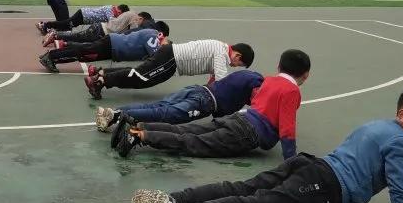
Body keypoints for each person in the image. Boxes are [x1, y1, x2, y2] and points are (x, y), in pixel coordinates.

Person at [138, 87, 403, 203]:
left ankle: (174, 198)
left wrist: (360, 202)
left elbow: (358, 162)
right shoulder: (401, 143)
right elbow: (401, 191)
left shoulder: (380, 127)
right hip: (324, 185)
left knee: (243, 189)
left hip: (310, 165)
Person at [112, 49, 310, 159]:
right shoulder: (292, 91)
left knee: (189, 131)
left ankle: (139, 125)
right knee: (193, 143)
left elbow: (257, 103)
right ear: (306, 75)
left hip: (239, 119)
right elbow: (287, 129)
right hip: (247, 132)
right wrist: (291, 160)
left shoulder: (269, 80)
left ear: (278, 67)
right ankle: (139, 136)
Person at [95, 68, 263, 131]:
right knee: (164, 113)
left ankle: (114, 113)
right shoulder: (258, 83)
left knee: (157, 106)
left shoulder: (248, 76)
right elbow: (257, 103)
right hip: (204, 102)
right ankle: (117, 116)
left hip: (196, 89)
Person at [85, 39, 254, 98]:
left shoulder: (220, 48)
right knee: (141, 77)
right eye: (239, 65)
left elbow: (212, 81)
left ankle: (102, 73)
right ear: (237, 56)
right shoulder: (222, 53)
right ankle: (100, 81)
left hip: (172, 58)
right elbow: (221, 82)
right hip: (172, 59)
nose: (235, 66)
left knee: (142, 74)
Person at [38, 21, 170, 73]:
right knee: (84, 50)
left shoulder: (149, 33)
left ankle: (52, 57)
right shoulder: (152, 35)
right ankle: (51, 56)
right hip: (114, 44)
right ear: (161, 33)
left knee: (85, 53)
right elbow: (157, 55)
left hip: (114, 46)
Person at [39, 4, 129, 34]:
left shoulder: (112, 10)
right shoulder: (110, 10)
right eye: (120, 14)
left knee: (66, 24)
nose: (119, 16)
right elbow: (112, 22)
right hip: (83, 15)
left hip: (84, 17)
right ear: (119, 11)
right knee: (66, 24)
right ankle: (46, 25)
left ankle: (48, 26)